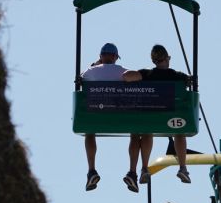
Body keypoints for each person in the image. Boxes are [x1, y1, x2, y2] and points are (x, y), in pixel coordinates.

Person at [121, 44, 192, 191]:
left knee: (144, 130)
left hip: (151, 118)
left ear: (154, 61)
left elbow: (126, 77)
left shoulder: (147, 74)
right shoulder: (177, 76)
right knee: (180, 131)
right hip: (169, 119)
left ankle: (143, 168)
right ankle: (183, 168)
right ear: (168, 58)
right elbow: (190, 82)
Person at [80, 43, 127, 191]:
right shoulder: (121, 71)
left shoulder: (91, 71)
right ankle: (132, 171)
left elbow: (80, 77)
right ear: (115, 57)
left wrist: (96, 64)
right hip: (119, 117)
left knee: (89, 133)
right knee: (137, 133)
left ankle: (91, 169)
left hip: (96, 116)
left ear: (101, 57)